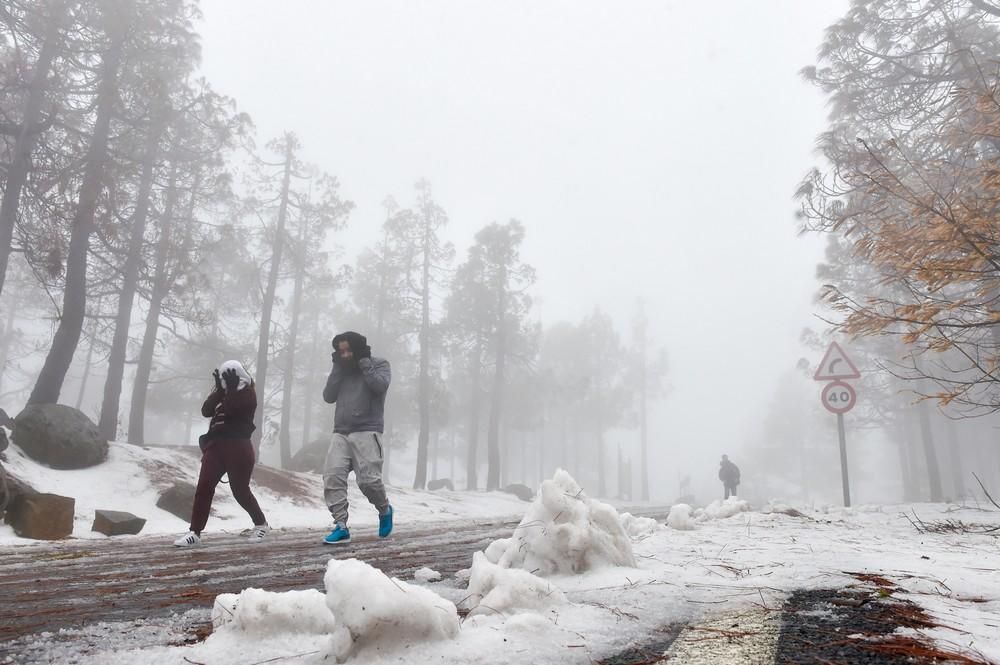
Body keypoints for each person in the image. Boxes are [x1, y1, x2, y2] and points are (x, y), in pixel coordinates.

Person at [174, 360, 269, 547]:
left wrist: (232, 390)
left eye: (229, 376)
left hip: (239, 447)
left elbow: (233, 409)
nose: (226, 381)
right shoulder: (224, 394)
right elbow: (206, 411)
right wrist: (219, 390)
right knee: (204, 487)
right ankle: (195, 532)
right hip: (216, 447)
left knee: (240, 491)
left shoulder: (248, 394)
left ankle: (261, 524)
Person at [322, 331, 393, 544]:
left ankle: (384, 509)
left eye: (348, 350)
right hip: (341, 431)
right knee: (332, 476)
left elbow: (379, 386)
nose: (344, 355)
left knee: (369, 481)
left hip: (367, 429)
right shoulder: (341, 370)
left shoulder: (379, 364)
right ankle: (341, 526)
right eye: (340, 351)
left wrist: (363, 361)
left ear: (358, 348)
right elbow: (328, 396)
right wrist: (337, 368)